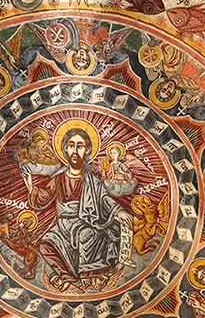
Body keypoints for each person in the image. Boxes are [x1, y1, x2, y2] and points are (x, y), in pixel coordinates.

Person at [19, 121, 136, 292]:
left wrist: (119, 212)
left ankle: (90, 275)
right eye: (71, 146)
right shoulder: (58, 177)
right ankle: (68, 276)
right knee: (45, 244)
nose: (75, 151)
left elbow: (104, 199)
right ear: (65, 150)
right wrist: (30, 186)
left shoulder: (93, 180)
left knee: (86, 235)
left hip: (87, 222)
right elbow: (43, 199)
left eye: (80, 146)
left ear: (87, 150)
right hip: (63, 227)